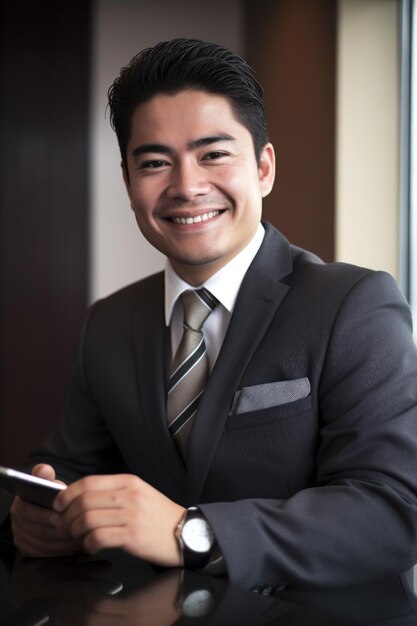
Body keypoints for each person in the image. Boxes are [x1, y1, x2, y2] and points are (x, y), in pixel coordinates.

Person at [8, 38, 417, 591]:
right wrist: (38, 517)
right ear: (129, 184)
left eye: (214, 154)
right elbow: (66, 467)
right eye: (155, 163)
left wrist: (189, 532)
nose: (187, 186)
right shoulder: (107, 323)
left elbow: (393, 511)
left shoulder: (354, 305)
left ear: (264, 168)